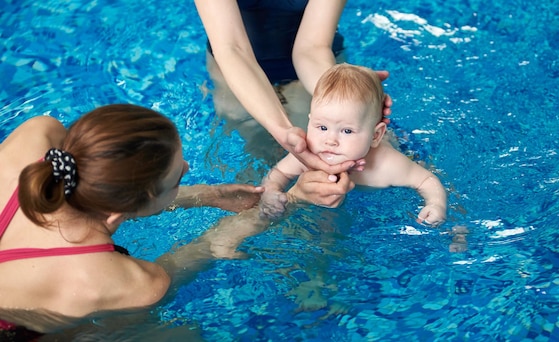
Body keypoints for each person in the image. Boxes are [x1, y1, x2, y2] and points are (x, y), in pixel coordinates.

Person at [0, 104, 353, 336]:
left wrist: (203, 194)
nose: (187, 169)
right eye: (177, 179)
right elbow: (210, 246)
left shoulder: (37, 136)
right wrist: (291, 199)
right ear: (121, 211)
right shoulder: (127, 284)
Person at [193, 0, 391, 173]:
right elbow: (231, 48)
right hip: (232, 63)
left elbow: (312, 47)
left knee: (327, 145)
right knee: (254, 147)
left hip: (315, 63)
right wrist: (282, 129)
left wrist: (345, 93)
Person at [259, 64, 448, 225]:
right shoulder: (308, 153)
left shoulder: (387, 164)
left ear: (375, 136)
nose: (330, 140)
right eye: (322, 127)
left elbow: (426, 180)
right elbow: (279, 173)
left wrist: (435, 204)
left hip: (399, 143)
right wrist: (272, 191)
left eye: (347, 131)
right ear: (309, 122)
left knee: (423, 162)